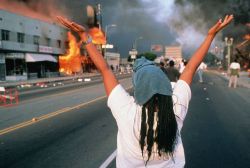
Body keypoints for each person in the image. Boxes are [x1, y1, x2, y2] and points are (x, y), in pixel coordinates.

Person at [57, 14, 233, 168]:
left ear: (138, 91)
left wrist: (84, 37)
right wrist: (211, 35)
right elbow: (190, 68)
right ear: (166, 87)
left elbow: (105, 70)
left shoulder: (126, 111)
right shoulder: (176, 108)